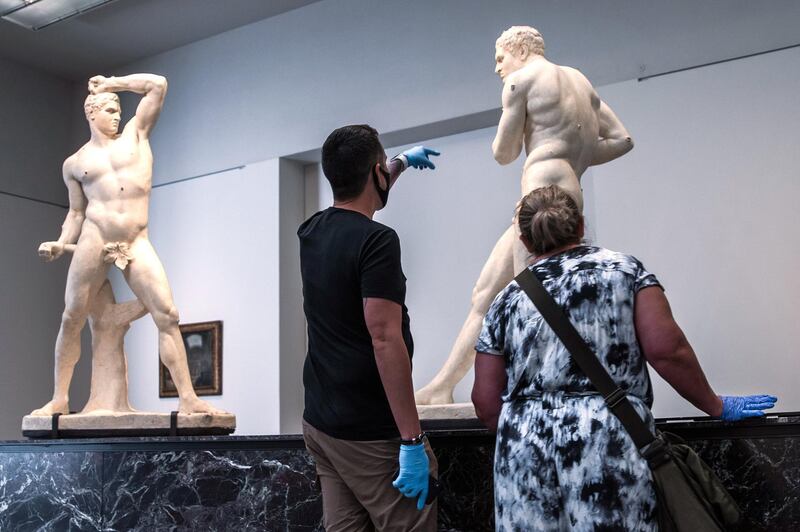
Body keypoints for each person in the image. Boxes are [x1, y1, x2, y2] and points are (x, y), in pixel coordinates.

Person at [471, 185, 777, 531]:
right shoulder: (624, 272)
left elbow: (485, 401)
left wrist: (528, 429)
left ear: (524, 241)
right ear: (581, 227)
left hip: (522, 447)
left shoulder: (506, 300)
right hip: (607, 437)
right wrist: (716, 405)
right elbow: (668, 351)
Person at [416, 25, 634, 405]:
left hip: (539, 195)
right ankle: (440, 388)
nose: (498, 68)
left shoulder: (521, 82)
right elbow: (621, 140)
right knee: (485, 293)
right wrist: (569, 155)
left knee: (531, 299)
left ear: (518, 50)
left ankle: (531, 390)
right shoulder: (580, 81)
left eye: (500, 58)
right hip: (570, 189)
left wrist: (540, 147)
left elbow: (503, 152)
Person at [34, 74, 222, 415]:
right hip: (95, 237)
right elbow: (76, 212)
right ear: (91, 114)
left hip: (135, 239)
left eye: (118, 108)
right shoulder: (75, 164)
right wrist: (62, 242)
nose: (117, 114)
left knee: (167, 314)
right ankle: (60, 398)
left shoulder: (137, 135)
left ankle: (188, 398)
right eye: (108, 109)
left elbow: (158, 85)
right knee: (71, 317)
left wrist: (113, 83)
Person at [298, 124, 441, 531]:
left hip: (322, 423)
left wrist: (398, 164)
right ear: (375, 173)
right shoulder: (377, 241)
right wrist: (411, 442)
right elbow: (384, 338)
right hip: (370, 432)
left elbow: (362, 185)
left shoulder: (311, 232)